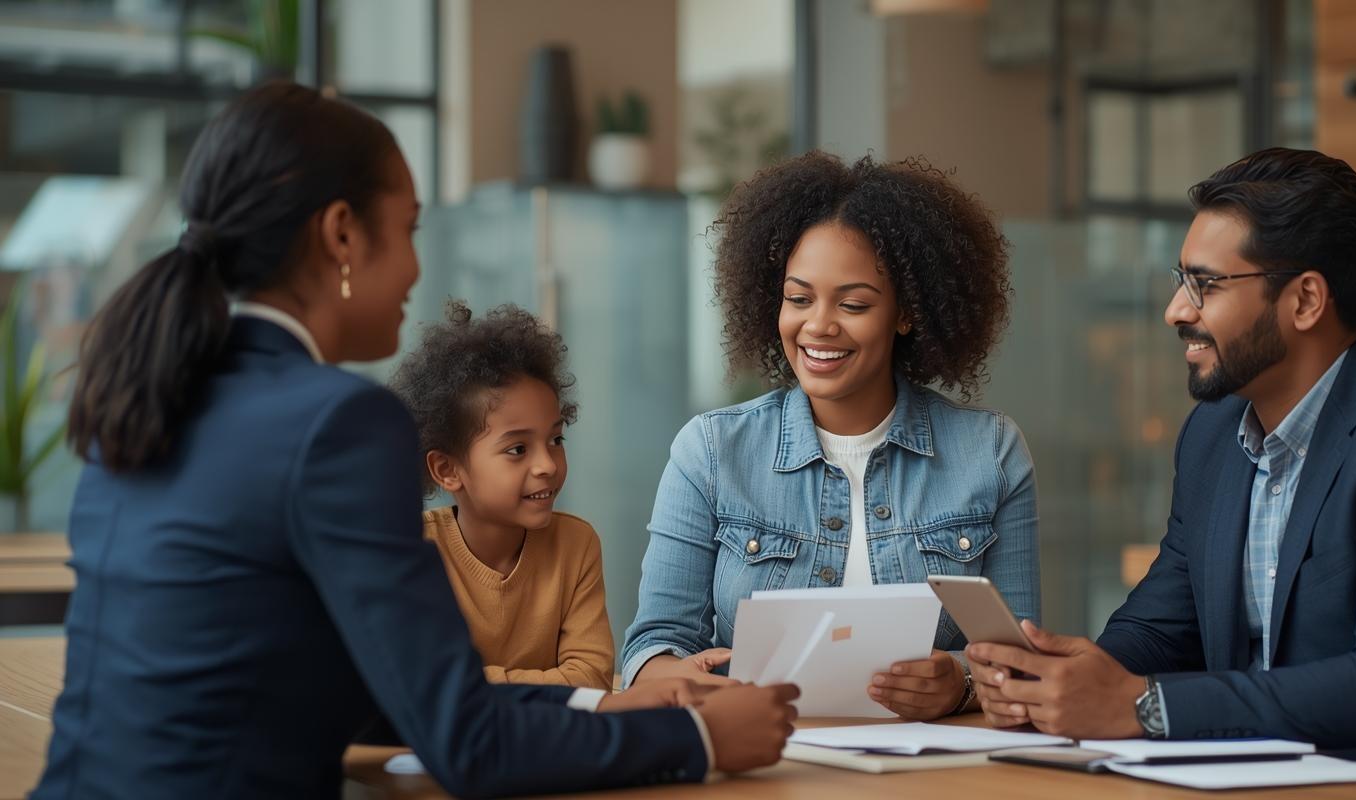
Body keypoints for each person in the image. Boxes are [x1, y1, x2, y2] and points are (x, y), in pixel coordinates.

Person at [36, 82, 796, 800]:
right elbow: (468, 744)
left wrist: (610, 703)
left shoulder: (147, 393)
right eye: (407, 230)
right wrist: (696, 738)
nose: (414, 267)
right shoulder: (338, 424)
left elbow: (372, 694)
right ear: (341, 234)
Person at [966, 147, 1356, 782]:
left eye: (1205, 285)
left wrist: (1144, 707)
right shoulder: (1213, 433)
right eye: (1181, 281)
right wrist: (1060, 679)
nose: (1176, 311)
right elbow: (1161, 629)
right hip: (1249, 779)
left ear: (1306, 300)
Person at [621, 151, 1039, 720]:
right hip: (758, 758)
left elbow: (1017, 663)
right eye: (798, 299)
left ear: (906, 313)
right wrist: (675, 675)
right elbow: (650, 646)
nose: (818, 325)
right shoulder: (712, 452)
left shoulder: (989, 453)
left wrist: (961, 682)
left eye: (854, 303)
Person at [389, 301, 612, 689]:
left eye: (556, 439)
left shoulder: (577, 545)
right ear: (447, 470)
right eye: (517, 450)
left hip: (549, 745)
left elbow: (591, 679)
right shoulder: (413, 550)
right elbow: (418, 684)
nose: (547, 464)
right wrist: (543, 686)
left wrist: (476, 685)